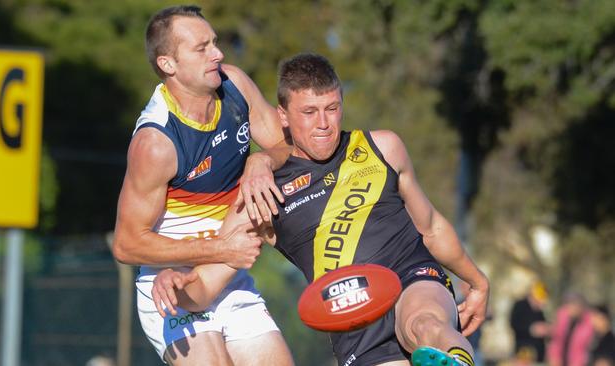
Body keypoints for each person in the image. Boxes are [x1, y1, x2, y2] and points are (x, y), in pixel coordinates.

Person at [153, 52, 490, 366]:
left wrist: (476, 282)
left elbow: (430, 227)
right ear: (283, 116)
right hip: (350, 315)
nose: (324, 123)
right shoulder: (263, 193)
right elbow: (208, 283)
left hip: (412, 276)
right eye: (309, 112)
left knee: (423, 322)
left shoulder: (382, 146)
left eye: (332, 108)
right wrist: (178, 285)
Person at [111, 5, 294, 366]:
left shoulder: (235, 86)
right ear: (168, 64)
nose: (218, 54)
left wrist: (262, 159)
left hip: (229, 277)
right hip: (171, 286)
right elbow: (126, 244)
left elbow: (286, 145)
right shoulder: (156, 142)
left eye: (215, 42)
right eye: (202, 48)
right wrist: (220, 249)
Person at [547, 292, 594, 366]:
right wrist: (554, 356)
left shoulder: (588, 321)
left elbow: (583, 346)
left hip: (576, 360)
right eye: (570, 304)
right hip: (559, 357)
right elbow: (556, 339)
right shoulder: (562, 315)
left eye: (576, 304)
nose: (573, 307)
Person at [509, 281, 550, 365]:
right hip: (523, 351)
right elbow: (514, 324)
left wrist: (546, 329)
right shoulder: (520, 305)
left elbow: (543, 326)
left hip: (538, 353)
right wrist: (531, 329)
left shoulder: (540, 311)